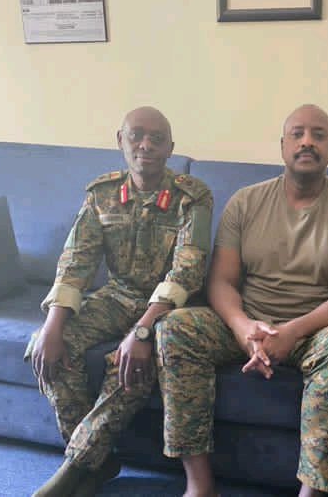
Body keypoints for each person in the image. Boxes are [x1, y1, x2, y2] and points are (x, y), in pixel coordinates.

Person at [157, 104, 328, 496]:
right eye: (297, 134)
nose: (307, 142)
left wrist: (292, 331)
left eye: (318, 135)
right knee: (175, 329)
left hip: (317, 330)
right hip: (249, 322)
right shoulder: (245, 202)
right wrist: (243, 327)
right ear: (282, 146)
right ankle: (199, 485)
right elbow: (221, 282)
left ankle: (312, 492)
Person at [28, 106, 213, 497]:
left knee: (128, 364)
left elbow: (187, 272)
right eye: (136, 135)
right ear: (120, 141)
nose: (145, 145)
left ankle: (76, 467)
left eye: (157, 139)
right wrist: (52, 326)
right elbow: (76, 263)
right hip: (116, 297)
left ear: (170, 148)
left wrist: (142, 331)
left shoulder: (192, 198)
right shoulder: (102, 194)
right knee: (46, 346)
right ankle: (97, 462)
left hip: (169, 308)